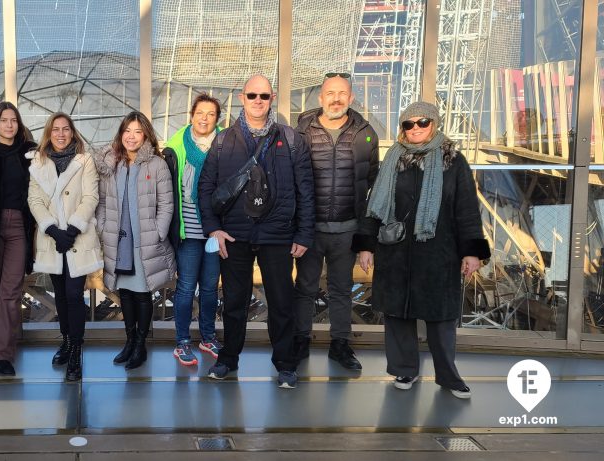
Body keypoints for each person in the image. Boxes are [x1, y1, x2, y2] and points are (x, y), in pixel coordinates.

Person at [354, 101, 490, 399]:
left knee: (441, 318)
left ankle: (449, 376)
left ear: (434, 124)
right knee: (397, 314)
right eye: (408, 124)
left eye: (422, 122)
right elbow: (374, 206)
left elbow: (467, 209)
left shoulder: (453, 162)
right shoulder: (393, 159)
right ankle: (405, 369)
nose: (415, 128)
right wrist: (366, 245)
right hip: (396, 251)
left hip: (439, 252)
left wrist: (471, 251)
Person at [198, 74, 315, 388]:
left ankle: (285, 364)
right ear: (242, 98)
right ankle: (228, 359)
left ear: (272, 98)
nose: (258, 101)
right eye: (252, 95)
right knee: (234, 303)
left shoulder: (291, 139)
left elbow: (306, 190)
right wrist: (213, 229)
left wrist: (303, 233)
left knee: (281, 303)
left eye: (264, 95)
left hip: (277, 235)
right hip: (234, 234)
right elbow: (205, 187)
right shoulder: (223, 141)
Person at [293, 73, 379, 371]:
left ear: (351, 98)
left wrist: (366, 238)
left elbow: (371, 183)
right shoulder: (303, 132)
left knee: (342, 289)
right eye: (330, 93)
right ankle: (300, 340)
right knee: (305, 288)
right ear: (320, 98)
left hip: (347, 230)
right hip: (310, 229)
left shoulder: (365, 133)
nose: (336, 99)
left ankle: (340, 345)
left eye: (342, 93)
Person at [95, 111, 176, 370]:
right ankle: (129, 342)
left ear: (146, 136)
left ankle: (140, 345)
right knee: (125, 293)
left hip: (145, 241)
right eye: (127, 131)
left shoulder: (156, 165)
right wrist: (103, 228)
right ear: (121, 134)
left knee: (142, 293)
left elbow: (166, 204)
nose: (131, 137)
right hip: (119, 240)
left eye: (137, 131)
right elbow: (103, 202)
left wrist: (158, 232)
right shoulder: (111, 163)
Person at [27, 112, 102, 381]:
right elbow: (34, 200)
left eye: (66, 129)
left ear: (72, 132)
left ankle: (76, 350)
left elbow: (91, 196)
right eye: (56, 129)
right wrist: (52, 230)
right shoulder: (37, 163)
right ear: (49, 133)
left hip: (76, 238)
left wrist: (71, 230)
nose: (61, 134)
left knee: (73, 294)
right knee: (59, 293)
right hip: (52, 239)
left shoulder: (85, 160)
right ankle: (67, 341)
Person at [0, 102, 38, 376]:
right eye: (4, 120)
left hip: (19, 226)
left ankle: (2, 354)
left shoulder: (29, 152)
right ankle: (0, 344)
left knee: (11, 290)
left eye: (14, 120)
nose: (9, 125)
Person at [164, 94, 223, 366]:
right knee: (186, 288)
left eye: (211, 114)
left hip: (215, 232)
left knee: (210, 288)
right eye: (200, 113)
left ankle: (208, 337)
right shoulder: (176, 145)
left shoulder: (226, 144)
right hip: (187, 232)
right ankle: (182, 342)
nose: (204, 118)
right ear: (191, 115)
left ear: (217, 119)